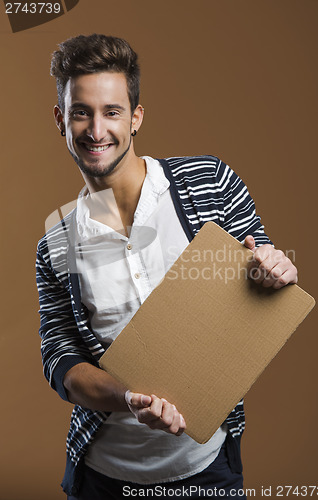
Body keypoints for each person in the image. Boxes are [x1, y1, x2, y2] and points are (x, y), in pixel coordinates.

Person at [36, 34, 298, 499]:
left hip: (208, 467)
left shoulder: (210, 182)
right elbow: (62, 362)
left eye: (112, 111)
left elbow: (264, 269)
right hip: (103, 478)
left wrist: (274, 271)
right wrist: (128, 399)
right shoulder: (55, 243)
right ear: (61, 119)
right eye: (81, 112)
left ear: (136, 117)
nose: (97, 130)